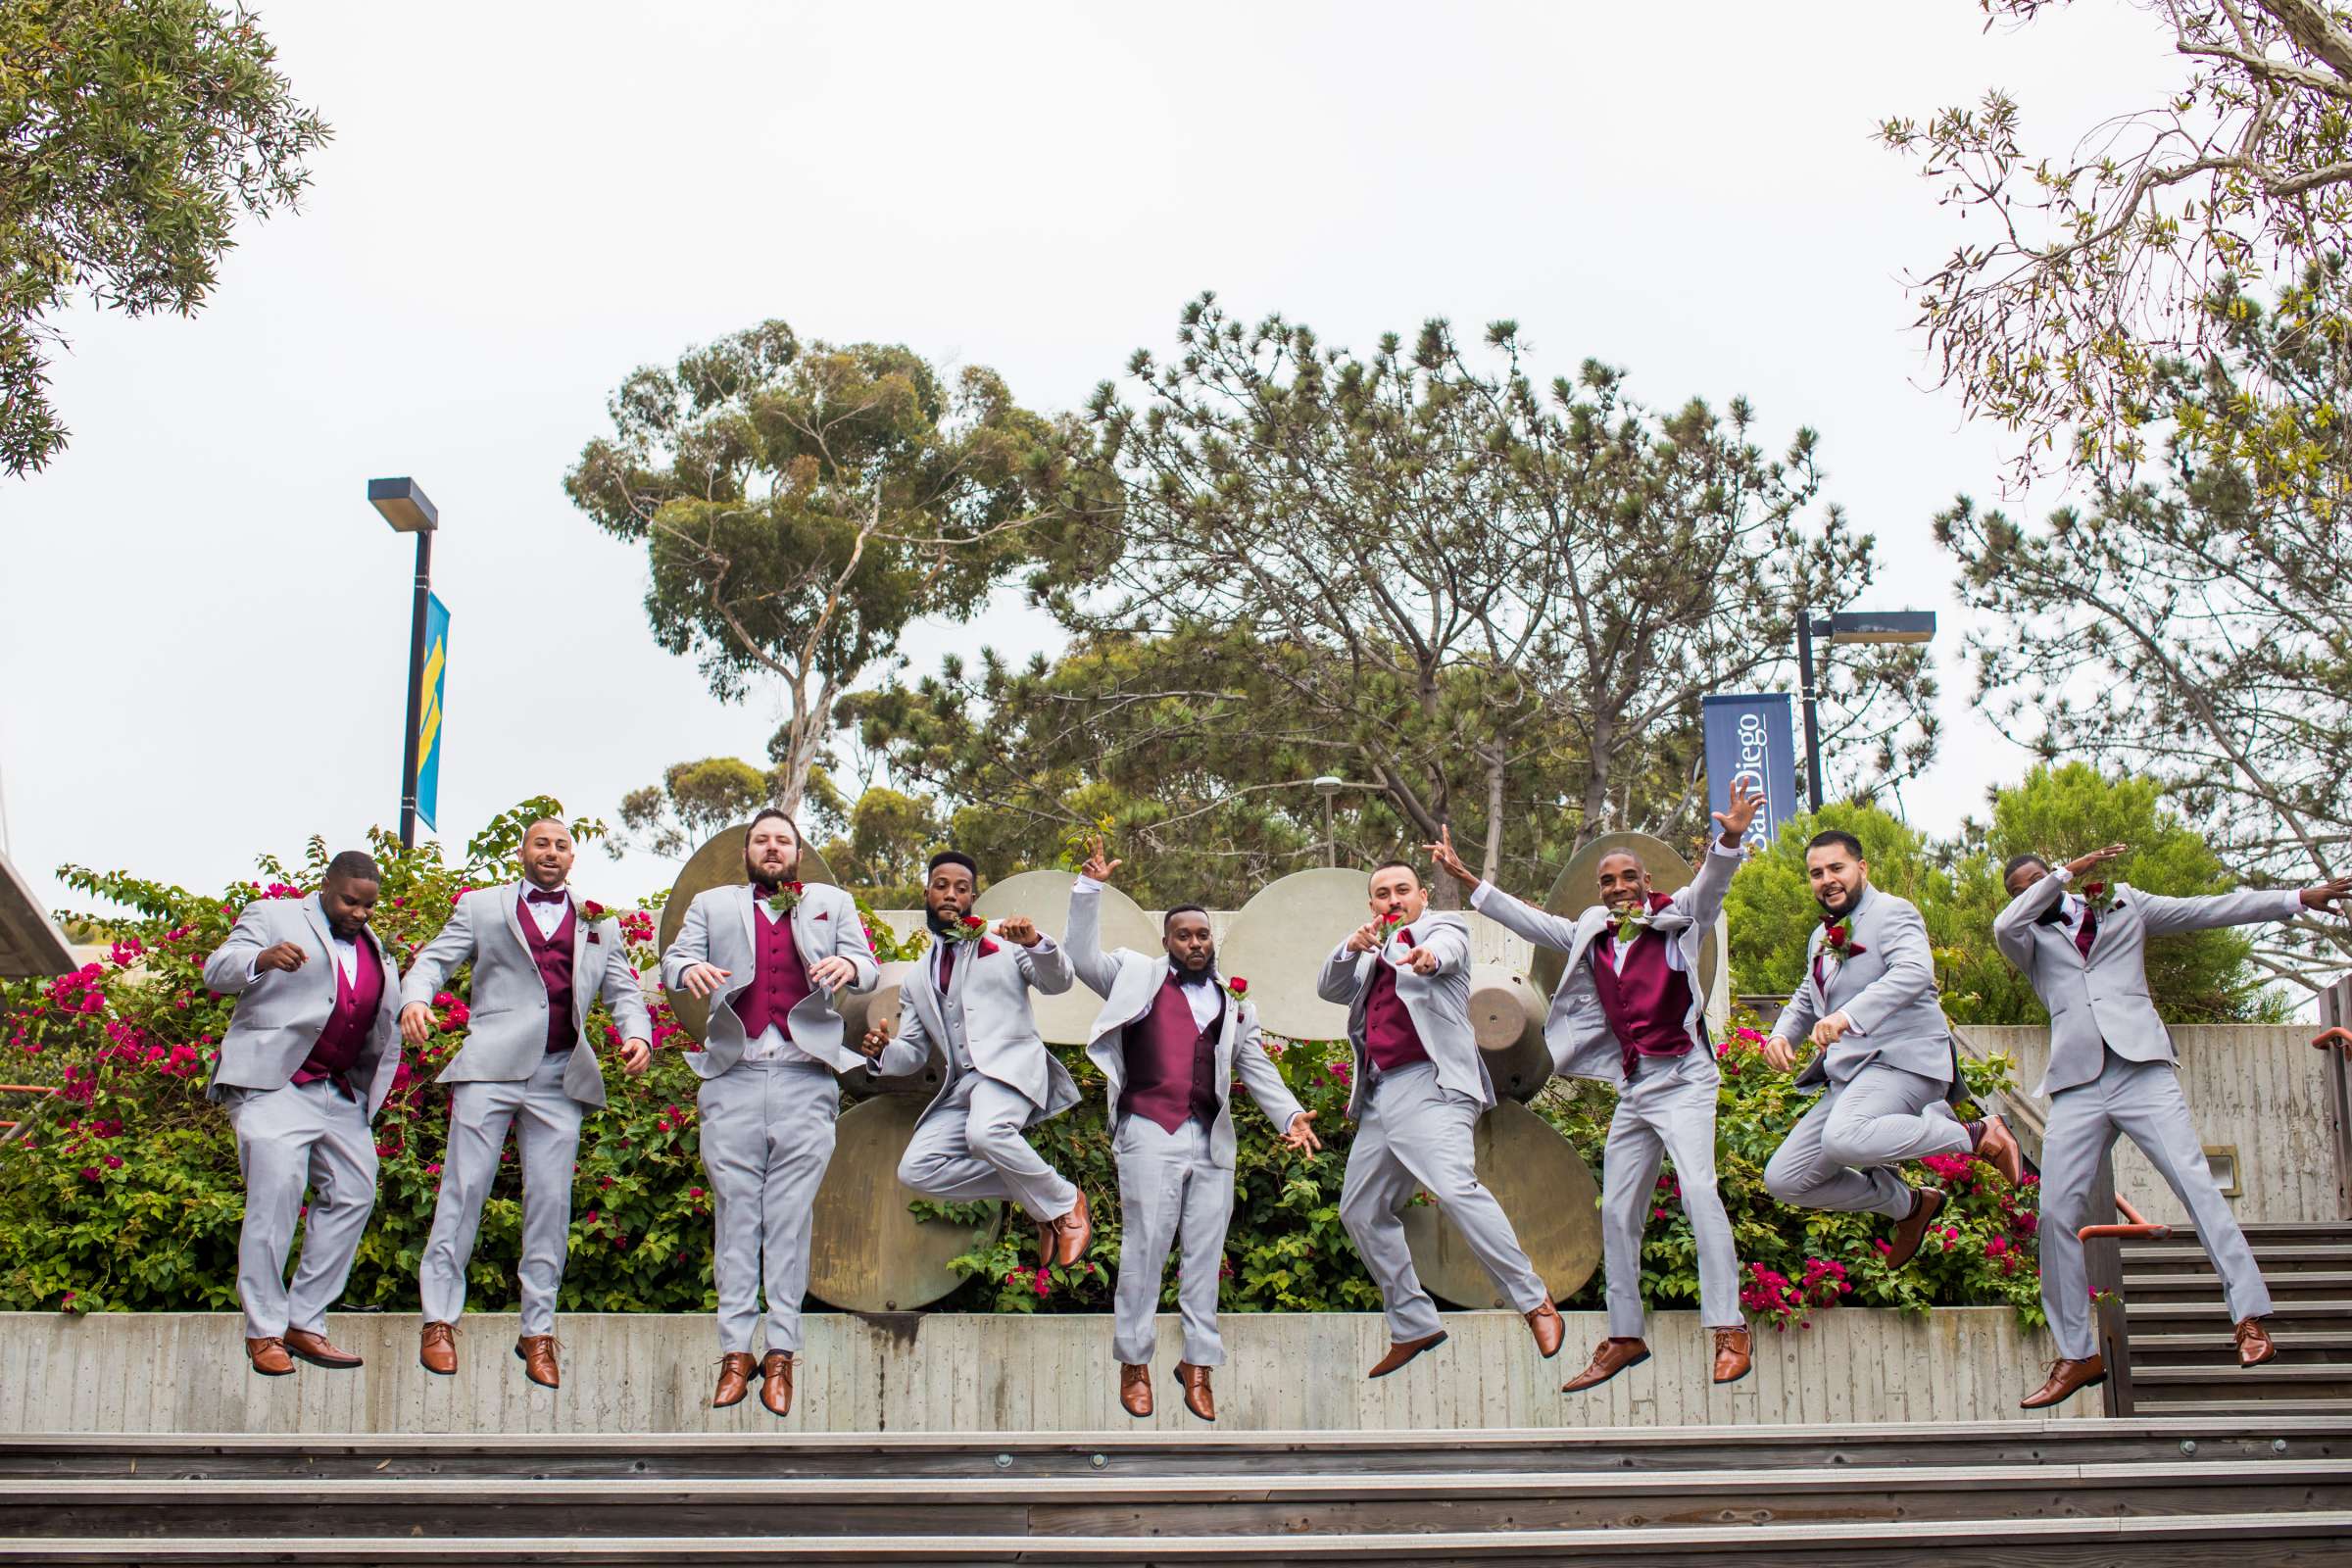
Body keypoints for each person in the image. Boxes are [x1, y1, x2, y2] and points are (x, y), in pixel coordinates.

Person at [1429, 781, 1763, 1394]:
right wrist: (1467, 878)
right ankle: (1627, 1334)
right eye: (1607, 882)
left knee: (1697, 1191)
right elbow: (1530, 921)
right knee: (1616, 1210)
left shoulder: (1681, 920)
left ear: (1644, 881)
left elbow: (1713, 888)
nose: (1616, 889)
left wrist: (1730, 840)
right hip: (1637, 1085)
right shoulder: (1592, 933)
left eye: (1626, 878)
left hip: (1685, 1078)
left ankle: (1729, 1328)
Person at [1995, 845, 2352, 1408]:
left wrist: (2297, 899)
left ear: (2054, 879)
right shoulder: (2024, 938)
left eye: (2036, 881)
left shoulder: (2124, 905)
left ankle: (2250, 1317)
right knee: (2055, 1214)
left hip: (2142, 1071)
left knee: (2196, 1185)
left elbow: (2207, 909)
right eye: (2020, 889)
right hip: (2076, 1084)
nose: (2029, 893)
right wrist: (2062, 874)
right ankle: (2078, 1352)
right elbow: (2005, 920)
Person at [663, 808, 915, 1418]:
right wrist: (688, 968)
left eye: (783, 840)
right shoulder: (712, 904)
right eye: (762, 840)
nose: (772, 849)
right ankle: (733, 1351)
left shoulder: (830, 901)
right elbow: (672, 962)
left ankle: (780, 1352)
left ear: (797, 853)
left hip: (806, 1075)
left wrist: (850, 966)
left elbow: (871, 964)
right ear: (746, 850)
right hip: (734, 1074)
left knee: (790, 1217)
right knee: (736, 1215)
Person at [1065, 837, 1321, 1421]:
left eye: (1203, 935)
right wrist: (1089, 889)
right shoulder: (1134, 975)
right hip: (1149, 1127)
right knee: (1147, 1248)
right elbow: (1080, 958)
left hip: (1211, 1136)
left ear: (1213, 940)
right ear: (1167, 941)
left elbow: (1255, 1066)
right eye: (1184, 935)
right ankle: (1135, 1362)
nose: (1195, 943)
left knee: (1204, 1255)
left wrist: (1289, 1114)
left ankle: (1197, 1364)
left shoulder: (1235, 1005)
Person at [399, 817, 652, 1390]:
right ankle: (438, 1320)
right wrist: (416, 999)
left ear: (572, 859)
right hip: (489, 1069)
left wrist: (637, 1034)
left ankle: (537, 1331)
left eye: (563, 845)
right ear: (522, 851)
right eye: (542, 842)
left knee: (549, 1205)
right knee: (463, 1191)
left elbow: (624, 991)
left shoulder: (597, 921)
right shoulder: (481, 907)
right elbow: (434, 962)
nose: (552, 852)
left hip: (560, 1077)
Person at [1316, 858, 1564, 1378]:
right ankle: (1413, 1323)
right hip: (1383, 1095)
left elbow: (1443, 955)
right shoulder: (1369, 953)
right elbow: (1329, 988)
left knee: (1454, 1188)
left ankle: (1533, 1299)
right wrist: (1349, 948)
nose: (1392, 899)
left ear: (1422, 895)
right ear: (1371, 905)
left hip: (1432, 1084)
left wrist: (1424, 957)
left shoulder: (1442, 928)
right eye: (1382, 893)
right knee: (1359, 1211)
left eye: (1401, 890)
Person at [1759, 830, 2024, 1266]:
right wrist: (1781, 1035)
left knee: (1843, 1138)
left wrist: (1847, 1016)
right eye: (1816, 873)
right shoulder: (1820, 937)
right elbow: (1807, 996)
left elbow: (1914, 972)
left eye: (1836, 868)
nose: (1827, 879)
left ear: (1861, 869)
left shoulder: (1893, 913)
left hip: (1903, 1060)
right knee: (1786, 1180)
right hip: (1850, 1074)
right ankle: (1908, 1206)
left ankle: (1978, 1134)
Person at [200, 851, 403, 1377]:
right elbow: (215, 970)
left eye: (368, 905)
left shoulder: (377, 948)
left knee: (356, 1191)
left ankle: (304, 1321)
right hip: (274, 1084)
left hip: (338, 1091)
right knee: (277, 1193)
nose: (359, 912)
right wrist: (262, 959)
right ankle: (264, 1330)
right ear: (325, 887)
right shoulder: (273, 915)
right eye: (349, 901)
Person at [884, 852, 1093, 1268]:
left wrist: (1034, 944)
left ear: (972, 897)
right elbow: (911, 1053)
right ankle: (1043, 1201)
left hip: (1010, 1070)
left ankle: (1067, 1202)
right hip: (962, 1087)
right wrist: (881, 1053)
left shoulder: (1004, 938)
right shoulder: (915, 978)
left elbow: (1060, 981)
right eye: (942, 886)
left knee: (986, 1134)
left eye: (961, 889)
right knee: (916, 1170)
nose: (950, 894)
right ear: (926, 893)